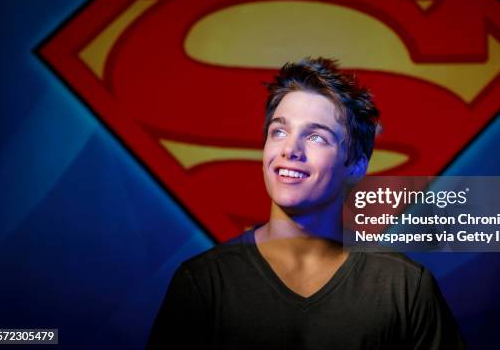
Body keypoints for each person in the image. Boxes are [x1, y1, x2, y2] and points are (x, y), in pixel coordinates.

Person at [146, 57, 465, 349]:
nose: (290, 150)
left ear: (356, 164)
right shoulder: (203, 283)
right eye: (279, 131)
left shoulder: (405, 287)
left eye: (316, 137)